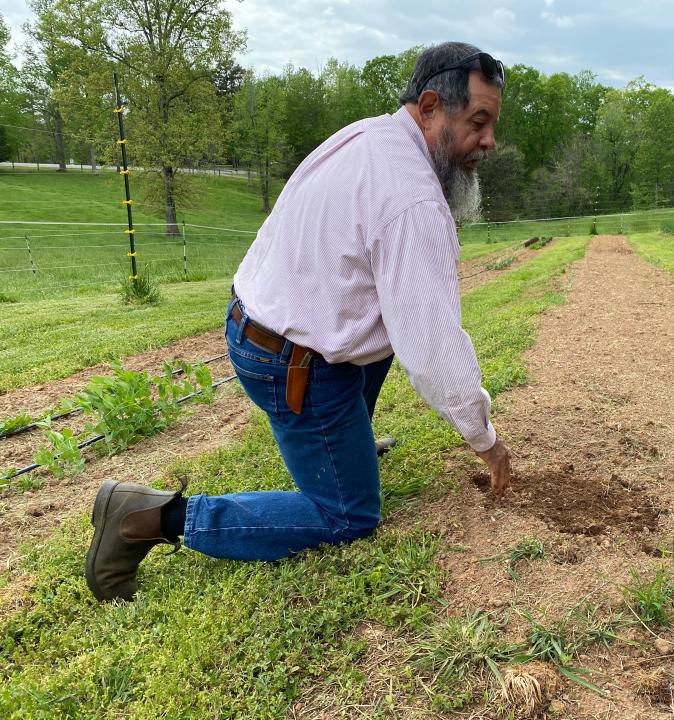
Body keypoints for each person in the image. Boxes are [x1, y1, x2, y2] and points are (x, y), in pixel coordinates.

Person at [85, 42, 513, 602]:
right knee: (348, 514)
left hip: (260, 320)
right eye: (478, 122)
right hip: (289, 360)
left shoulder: (366, 136)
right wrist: (485, 439)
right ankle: (148, 517)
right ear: (431, 106)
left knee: (379, 332)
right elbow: (431, 346)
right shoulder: (410, 197)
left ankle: (347, 440)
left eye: (491, 124)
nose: (488, 141)